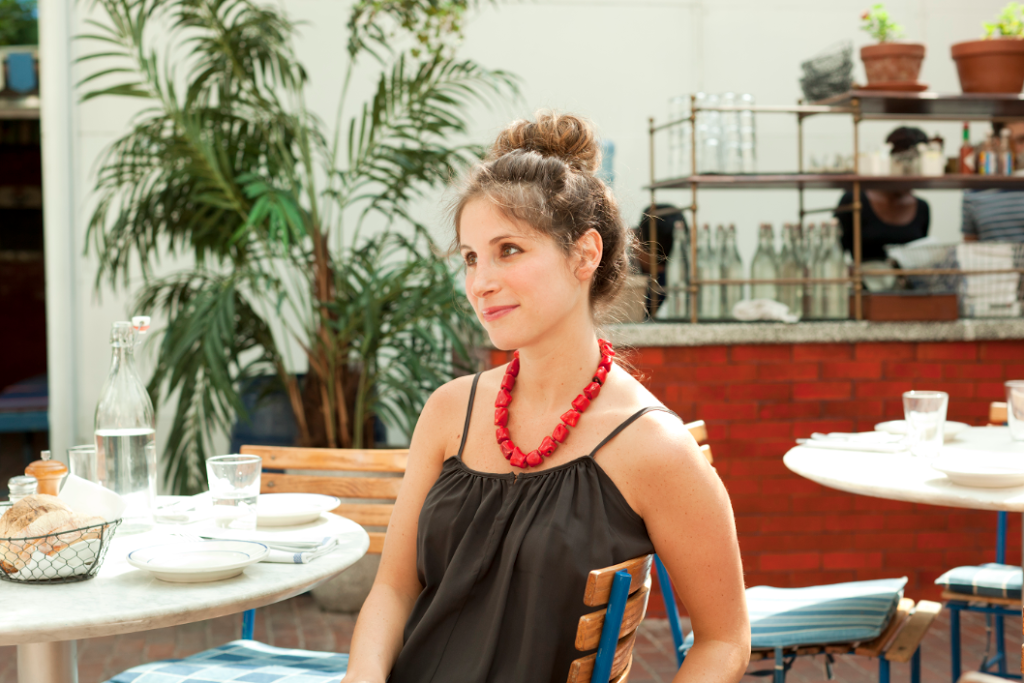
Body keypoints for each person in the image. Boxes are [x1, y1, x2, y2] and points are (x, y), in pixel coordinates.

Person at [342, 113, 750, 683]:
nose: (480, 282)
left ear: (584, 255)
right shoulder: (449, 410)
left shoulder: (654, 447)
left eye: (508, 249)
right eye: (471, 257)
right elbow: (393, 588)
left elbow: (724, 640)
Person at [835, 126, 931, 261]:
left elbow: (920, 257)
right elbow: (835, 251)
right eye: (905, 166)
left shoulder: (922, 207)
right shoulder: (853, 200)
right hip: (863, 274)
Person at [962, 122, 1024, 243]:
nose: (1020, 149)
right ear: (997, 142)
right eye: (1018, 141)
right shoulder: (973, 193)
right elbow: (969, 246)